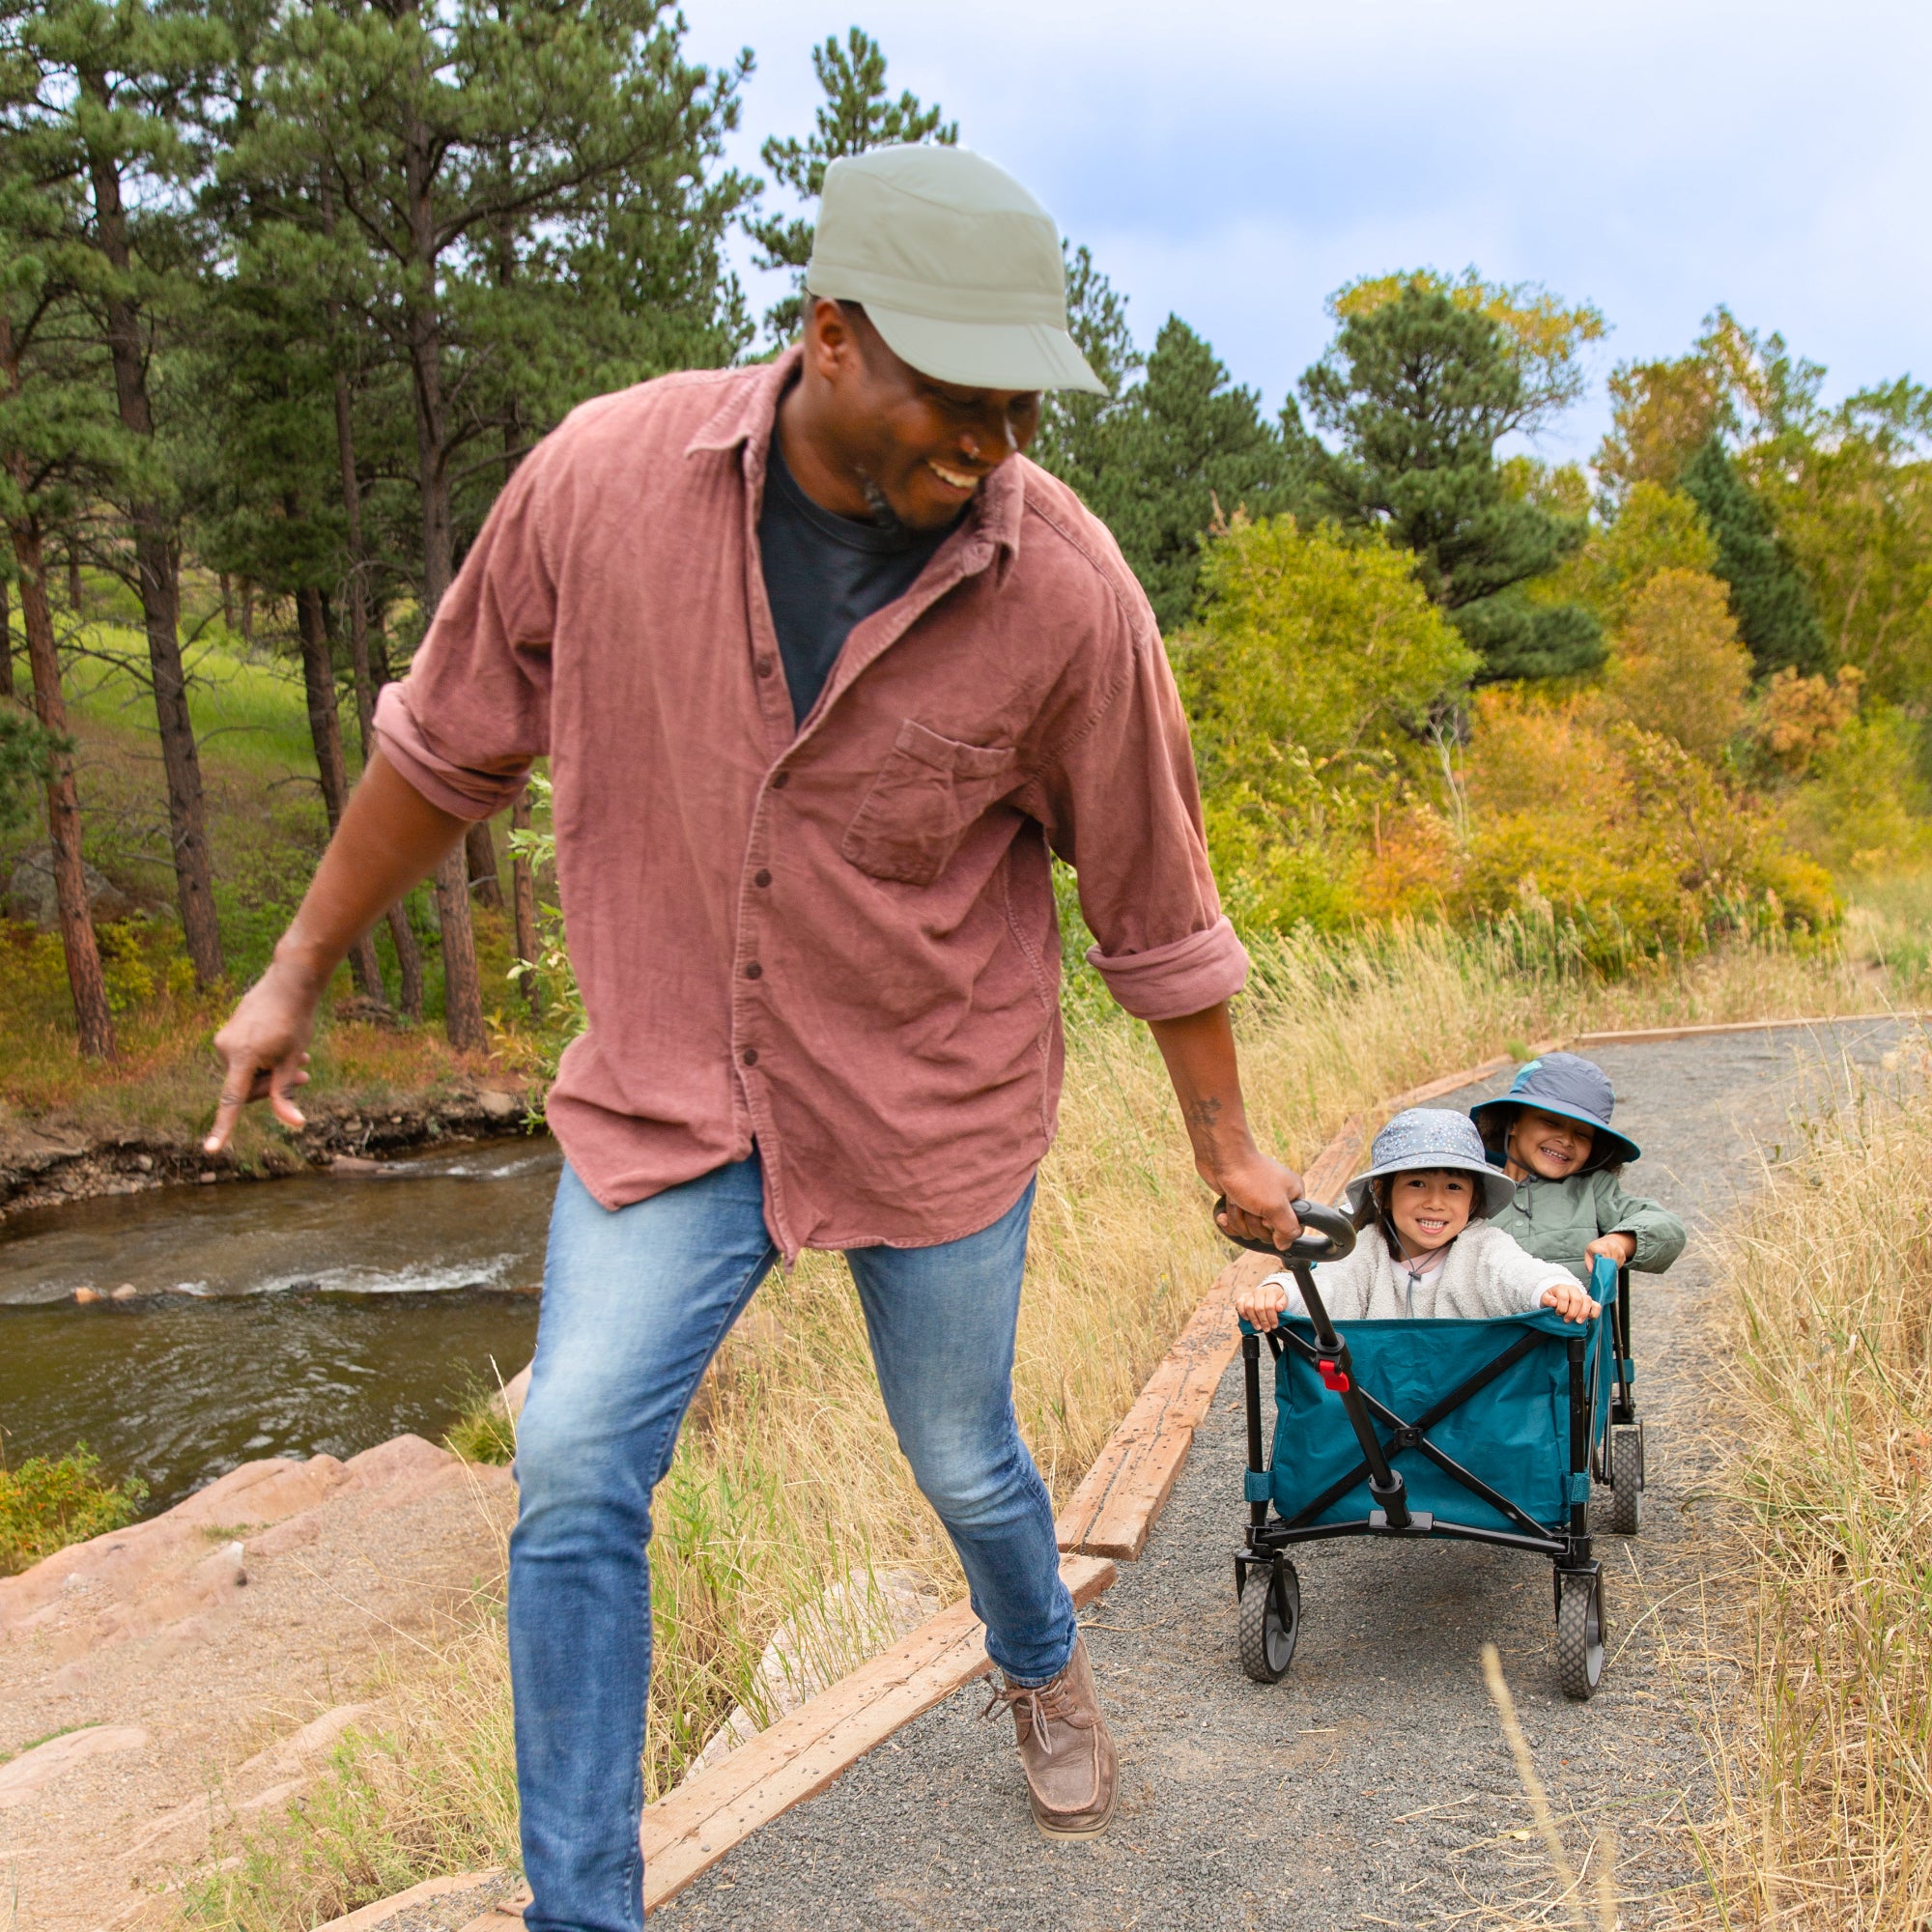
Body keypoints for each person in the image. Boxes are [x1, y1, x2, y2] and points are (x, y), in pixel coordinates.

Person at [203, 144, 1306, 1925]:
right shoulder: (601, 482)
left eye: (1022, 406)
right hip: (665, 1098)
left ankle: (1037, 1657)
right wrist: (297, 970)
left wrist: (1224, 1146)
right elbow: (441, 751)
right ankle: (585, 1906)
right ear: (831, 338)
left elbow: (1155, 901)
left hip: (928, 1104)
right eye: (961, 401)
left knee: (961, 1453)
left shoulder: (1066, 588)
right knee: (569, 1462)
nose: (998, 446)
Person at [1234, 1110, 1598, 1329]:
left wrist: (1551, 1287)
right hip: (1378, 1412)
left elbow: (1515, 1273)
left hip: (1471, 1407)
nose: (1435, 1202)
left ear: (1474, 1200)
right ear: (1382, 1193)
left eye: (1454, 1186)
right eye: (1417, 1183)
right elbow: (1330, 1286)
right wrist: (1280, 1293)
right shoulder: (1368, 1251)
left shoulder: (1483, 1247)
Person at [1468, 1054, 1687, 1286]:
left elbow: (1669, 1228)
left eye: (1582, 1134)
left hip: (1573, 1320)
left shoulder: (1593, 1190)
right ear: (1512, 1124)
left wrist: (1620, 1241)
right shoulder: (1470, 1191)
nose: (1566, 1140)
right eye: (1551, 1122)